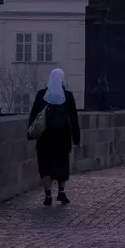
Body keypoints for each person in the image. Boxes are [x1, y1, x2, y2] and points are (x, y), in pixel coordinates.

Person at [28, 68, 82, 206]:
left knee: (45, 165)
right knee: (62, 164)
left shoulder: (41, 95)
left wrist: (30, 133)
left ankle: (48, 195)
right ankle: (61, 192)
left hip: (45, 138)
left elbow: (34, 116)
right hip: (63, 137)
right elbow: (73, 119)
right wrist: (76, 138)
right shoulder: (67, 96)